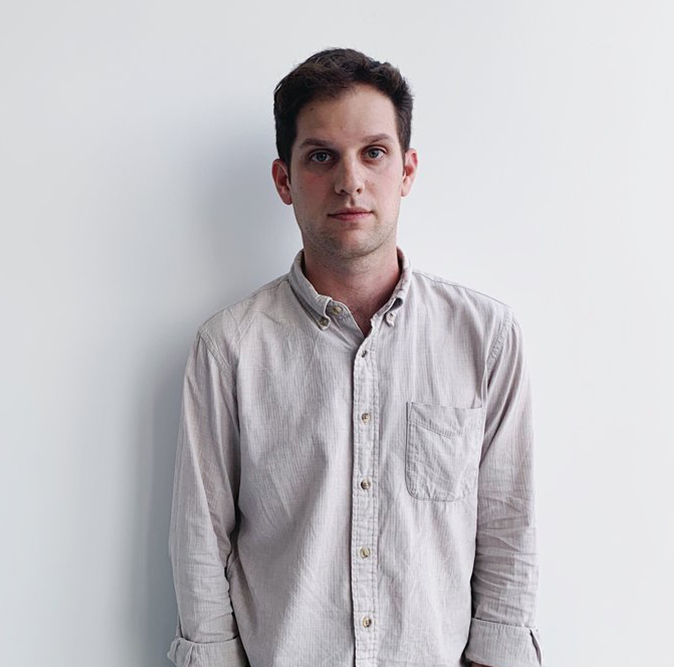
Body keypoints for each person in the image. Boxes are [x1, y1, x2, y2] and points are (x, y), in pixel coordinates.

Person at [166, 47, 543, 667]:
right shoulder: (228, 349)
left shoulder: (486, 339)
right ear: (284, 180)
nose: (350, 181)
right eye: (321, 156)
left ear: (407, 171)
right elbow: (200, 542)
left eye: (374, 152)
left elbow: (508, 528)